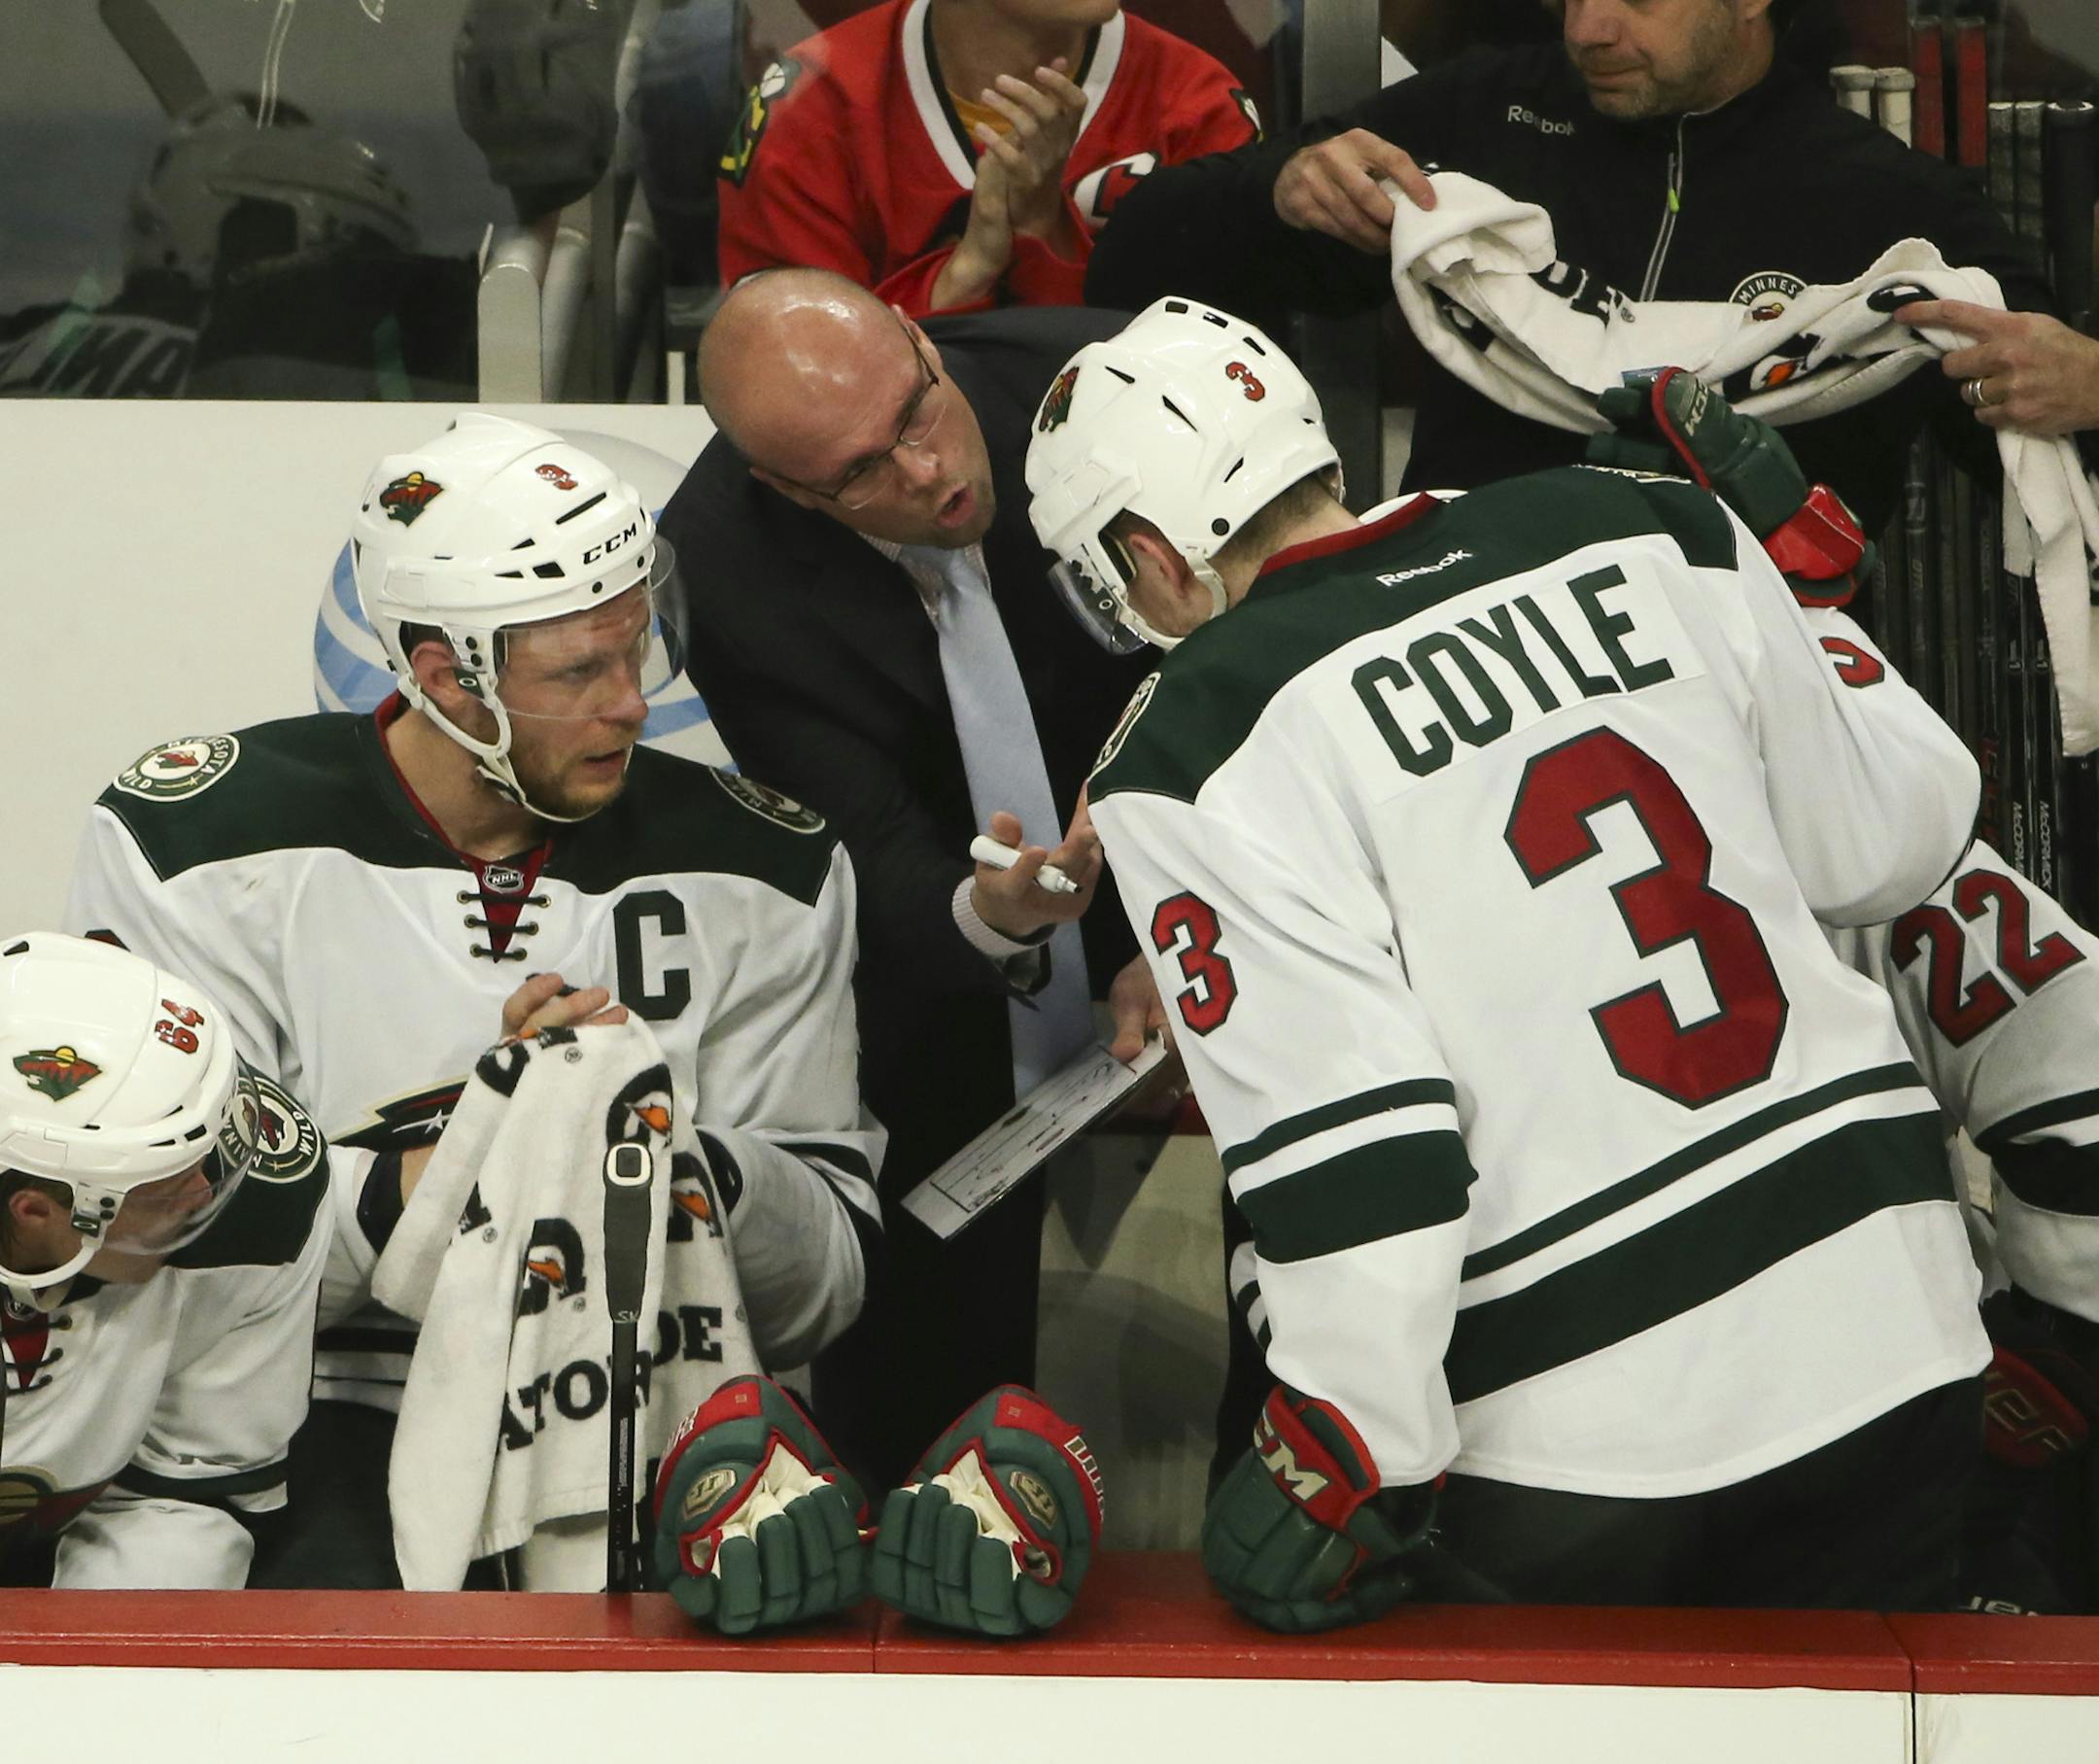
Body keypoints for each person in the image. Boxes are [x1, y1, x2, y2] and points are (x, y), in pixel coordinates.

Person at [1028, 298, 1990, 1622]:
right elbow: (1896, 835)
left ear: (1148, 548)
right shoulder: (1649, 521)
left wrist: (1353, 1446)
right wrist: (1809, 590)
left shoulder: (1192, 739)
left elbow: (1370, 1156)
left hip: (1587, 1430)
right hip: (1895, 1320)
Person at [64, 413, 883, 1588]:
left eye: (637, 651)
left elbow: (827, 1284)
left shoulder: (773, 868)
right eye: (578, 673)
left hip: (658, 1408)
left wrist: (642, 1150)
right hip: (297, 1415)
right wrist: (492, 1161)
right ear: (446, 677)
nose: (631, 706)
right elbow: (167, 1237)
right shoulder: (193, 842)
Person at [660, 266, 1160, 1489]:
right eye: (861, 476)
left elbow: (1268, 668)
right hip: (954, 930)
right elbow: (863, 842)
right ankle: (913, 1547)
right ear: (786, 489)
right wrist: (988, 916)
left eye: (918, 412)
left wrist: (1189, 926)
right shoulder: (726, 563)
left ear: (920, 340)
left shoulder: (1111, 390)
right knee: (914, 1292)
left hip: (1191, 854)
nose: (929, 472)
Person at [1082, 0, 2050, 542]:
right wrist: (1276, 189)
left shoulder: (1892, 203)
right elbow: (1132, 263)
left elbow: (2045, 463)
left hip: (1760, 693)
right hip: (1466, 659)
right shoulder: (1483, 115)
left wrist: (2086, 387)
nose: (1588, 29)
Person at [0, 932, 330, 1589]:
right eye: (162, 1185)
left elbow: (182, 1508)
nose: (206, 1189)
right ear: (34, 1210)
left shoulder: (264, 1210)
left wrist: (103, 1677)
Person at [714, 0, 1260, 316]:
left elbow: (1220, 392)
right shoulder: (807, 113)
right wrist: (965, 273)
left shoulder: (1198, 107)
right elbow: (801, 400)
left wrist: (1046, 234)